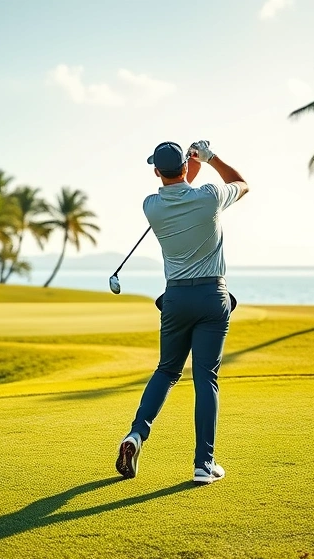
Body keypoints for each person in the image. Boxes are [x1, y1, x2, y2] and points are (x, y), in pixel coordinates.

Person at [115, 140, 249, 485]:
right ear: (182, 167)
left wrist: (188, 164)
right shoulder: (209, 197)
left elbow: (178, 184)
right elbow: (242, 183)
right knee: (205, 378)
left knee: (167, 370)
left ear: (156, 172)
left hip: (175, 299)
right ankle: (204, 464)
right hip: (211, 296)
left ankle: (135, 435)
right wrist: (208, 157)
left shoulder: (151, 206)